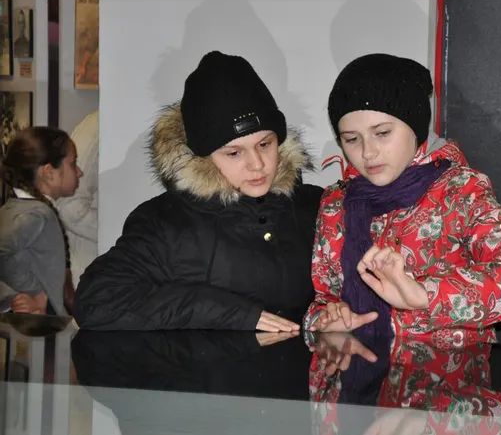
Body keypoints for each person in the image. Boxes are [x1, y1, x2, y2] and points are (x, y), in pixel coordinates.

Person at [73, 51, 323, 332]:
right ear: (203, 158)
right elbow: (96, 300)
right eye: (234, 153)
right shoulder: (165, 223)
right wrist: (224, 312)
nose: (257, 164)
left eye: (265, 144)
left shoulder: (319, 207)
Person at [304, 53, 501, 340]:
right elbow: (325, 296)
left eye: (382, 133)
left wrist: (425, 295)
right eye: (352, 139)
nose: (368, 152)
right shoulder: (335, 204)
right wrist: (326, 317)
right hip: (354, 364)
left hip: (449, 367)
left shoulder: (459, 191)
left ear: (415, 127)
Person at [0, 127, 82, 315]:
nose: (79, 172)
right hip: (41, 321)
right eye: (73, 164)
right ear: (49, 172)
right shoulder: (37, 214)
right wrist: (35, 292)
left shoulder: (17, 208)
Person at [57, 111, 98, 288]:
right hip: (92, 270)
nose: (78, 172)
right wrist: (125, 233)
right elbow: (70, 208)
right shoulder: (98, 126)